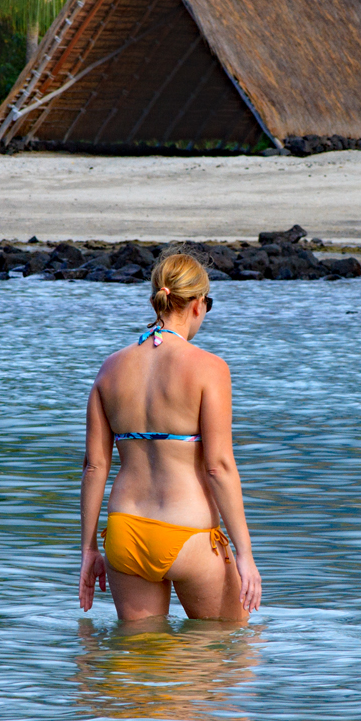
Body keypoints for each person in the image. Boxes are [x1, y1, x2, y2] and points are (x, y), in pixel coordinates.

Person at [79, 252, 262, 622]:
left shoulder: (111, 368)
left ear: (156, 299)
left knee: (135, 664)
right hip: (189, 532)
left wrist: (88, 551)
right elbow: (219, 467)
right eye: (208, 303)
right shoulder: (209, 368)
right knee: (233, 654)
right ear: (197, 305)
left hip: (125, 532)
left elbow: (95, 465)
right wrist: (245, 553)